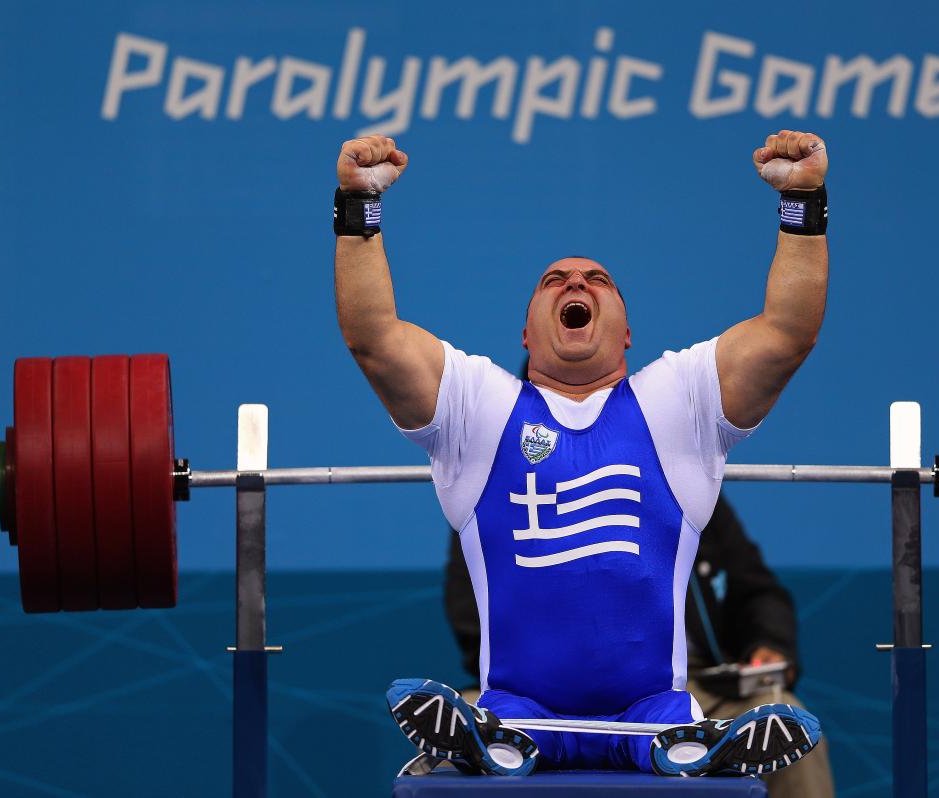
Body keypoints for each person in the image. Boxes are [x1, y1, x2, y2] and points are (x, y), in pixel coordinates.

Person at [333, 129, 830, 777]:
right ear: (526, 330)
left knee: (675, 733)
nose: (577, 283)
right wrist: (356, 207)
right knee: (465, 753)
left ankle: (685, 746)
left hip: (652, 703)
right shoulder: (477, 408)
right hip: (522, 704)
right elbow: (373, 337)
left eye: (598, 279)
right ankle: (501, 741)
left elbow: (788, 333)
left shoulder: (679, 403)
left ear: (626, 332)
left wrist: (803, 203)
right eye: (555, 281)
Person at [444, 495, 836, 796]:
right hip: (532, 691)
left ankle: (693, 739)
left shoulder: (688, 486)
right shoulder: (495, 491)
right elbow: (470, 613)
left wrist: (770, 645)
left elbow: (756, 590)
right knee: (452, 738)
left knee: (785, 724)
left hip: (687, 686)